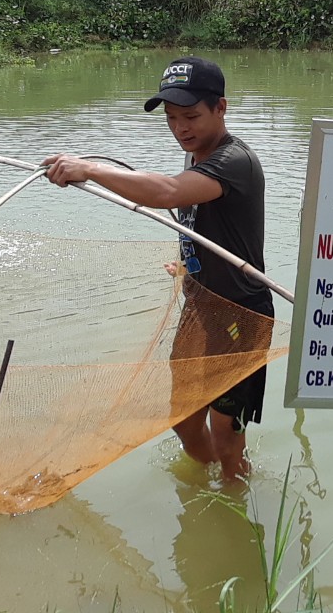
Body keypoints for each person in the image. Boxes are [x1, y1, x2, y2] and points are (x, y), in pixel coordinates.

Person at [41, 56, 272, 481]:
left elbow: (167, 193)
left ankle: (235, 498)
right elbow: (201, 222)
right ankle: (203, 489)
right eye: (171, 118)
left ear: (221, 108)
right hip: (201, 309)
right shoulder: (197, 155)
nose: (181, 128)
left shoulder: (233, 161)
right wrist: (188, 263)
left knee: (226, 437)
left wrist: (89, 169)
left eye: (191, 116)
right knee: (183, 418)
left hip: (241, 314)